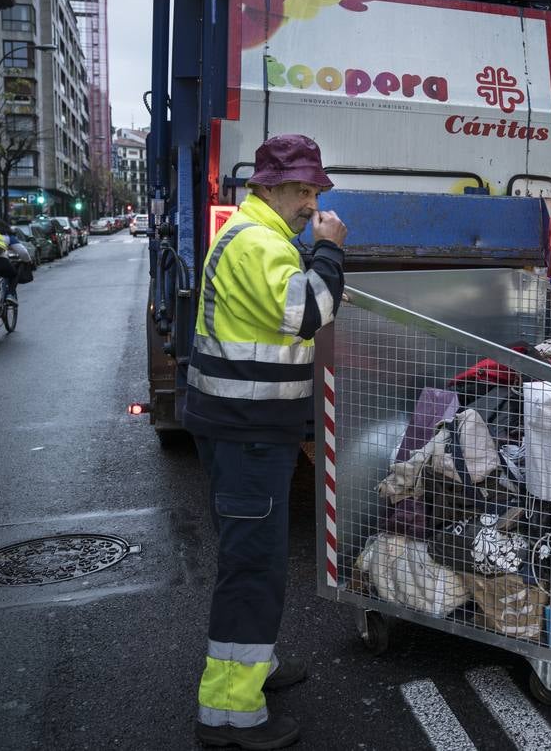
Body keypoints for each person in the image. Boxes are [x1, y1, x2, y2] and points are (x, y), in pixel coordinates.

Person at [184, 134, 347, 750]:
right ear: (267, 187)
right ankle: (230, 713)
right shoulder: (258, 243)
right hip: (247, 433)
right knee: (253, 569)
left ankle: (255, 664)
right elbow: (306, 314)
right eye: (302, 190)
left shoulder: (263, 238)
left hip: (244, 428)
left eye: (314, 190)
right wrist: (330, 252)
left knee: (254, 560)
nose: (311, 202)